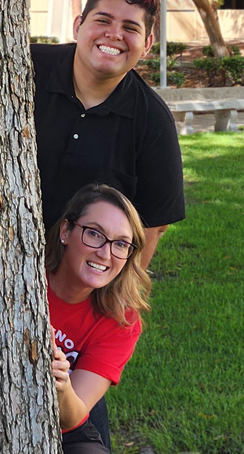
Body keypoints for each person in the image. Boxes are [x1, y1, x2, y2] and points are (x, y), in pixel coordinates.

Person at [31, 0, 186, 447]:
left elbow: (152, 226)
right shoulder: (25, 69)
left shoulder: (152, 124)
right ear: (78, 25)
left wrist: (107, 305)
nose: (114, 34)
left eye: (131, 27)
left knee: (80, 428)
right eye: (103, 20)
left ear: (148, 43)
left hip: (78, 296)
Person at [47, 184, 151, 454]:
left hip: (66, 419)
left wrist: (60, 382)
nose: (105, 254)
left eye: (120, 244)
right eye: (94, 234)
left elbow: (73, 415)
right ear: (65, 231)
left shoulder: (121, 319)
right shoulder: (25, 275)